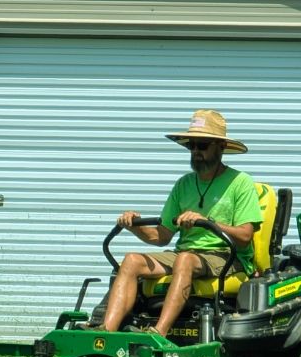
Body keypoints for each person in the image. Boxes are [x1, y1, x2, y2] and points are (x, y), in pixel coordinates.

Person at [99, 109, 263, 336]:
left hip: (227, 256)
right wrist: (134, 225)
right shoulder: (183, 184)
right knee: (131, 260)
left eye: (202, 146)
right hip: (186, 255)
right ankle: (106, 332)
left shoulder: (240, 182)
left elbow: (245, 238)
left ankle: (159, 332)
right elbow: (161, 236)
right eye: (191, 145)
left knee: (184, 260)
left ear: (221, 147)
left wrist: (207, 221)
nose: (196, 151)